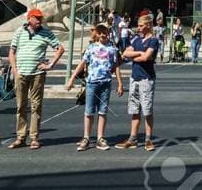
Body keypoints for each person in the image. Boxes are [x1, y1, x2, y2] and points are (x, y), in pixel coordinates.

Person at [7, 8, 65, 150]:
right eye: (37, 18)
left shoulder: (46, 33)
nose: (40, 20)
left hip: (37, 74)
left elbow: (60, 48)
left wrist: (50, 64)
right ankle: (20, 137)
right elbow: (12, 52)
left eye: (41, 18)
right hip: (21, 73)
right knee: (21, 106)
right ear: (29, 19)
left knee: (36, 106)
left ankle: (34, 137)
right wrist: (14, 70)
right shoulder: (19, 32)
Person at [66, 24, 124, 151]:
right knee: (89, 111)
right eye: (100, 33)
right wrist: (71, 79)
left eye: (105, 32)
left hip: (106, 84)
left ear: (108, 33)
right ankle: (86, 137)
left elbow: (116, 67)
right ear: (97, 34)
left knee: (103, 111)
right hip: (92, 83)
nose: (103, 35)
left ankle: (100, 138)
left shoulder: (112, 49)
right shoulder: (91, 48)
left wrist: (120, 84)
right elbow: (82, 63)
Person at [116, 15, 159, 151]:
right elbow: (125, 54)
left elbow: (146, 58)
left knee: (147, 110)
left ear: (148, 25)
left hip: (146, 78)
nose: (138, 28)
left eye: (141, 26)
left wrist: (135, 55)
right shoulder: (136, 39)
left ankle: (148, 139)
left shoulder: (153, 40)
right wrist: (139, 53)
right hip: (135, 78)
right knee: (134, 110)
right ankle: (133, 138)